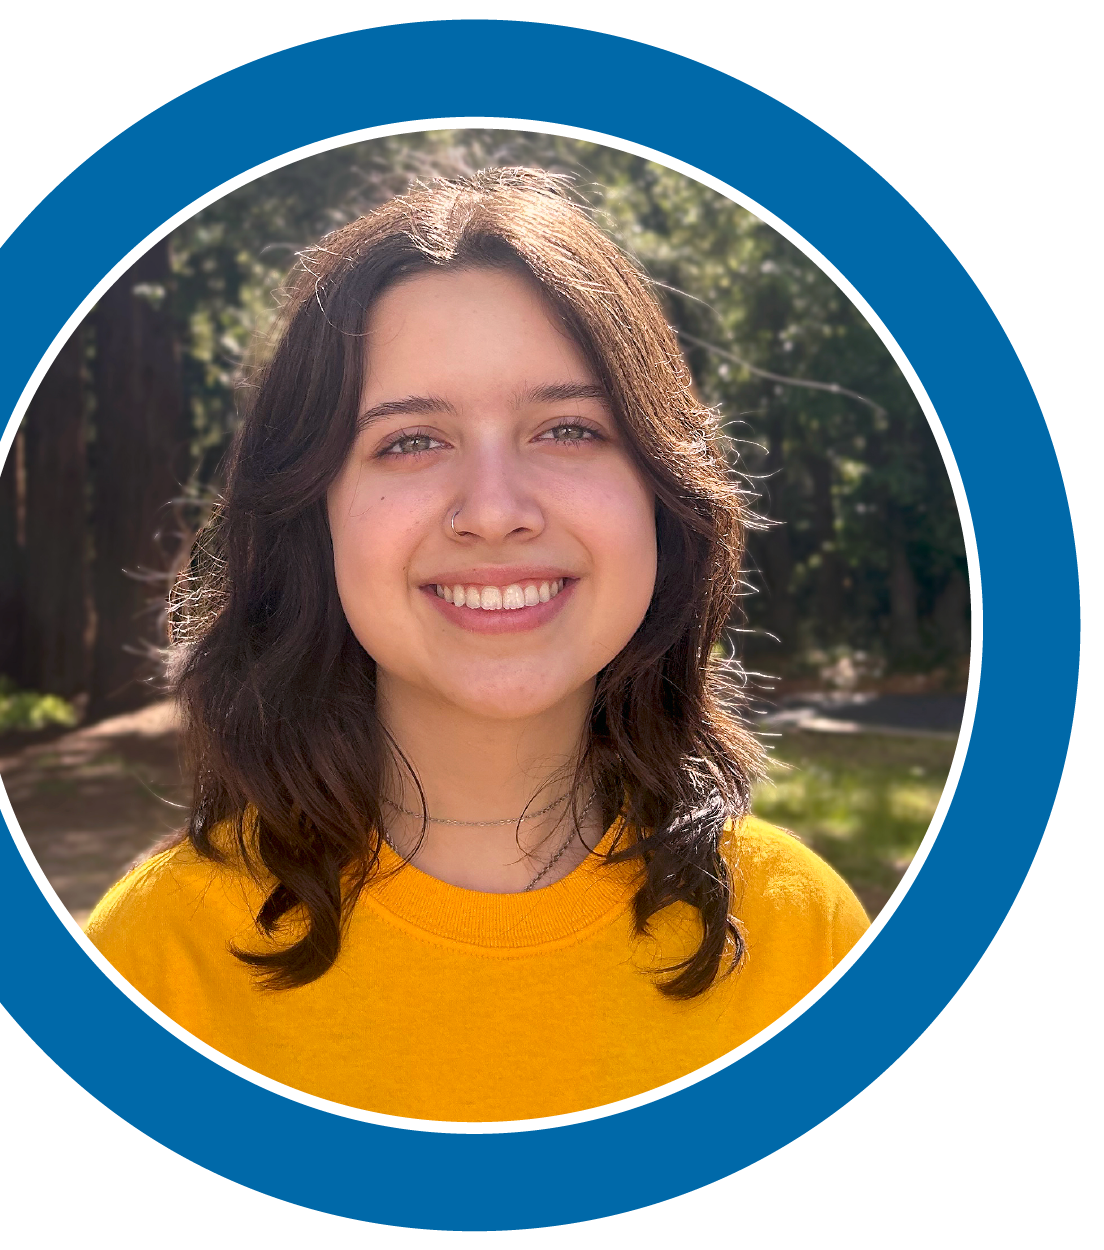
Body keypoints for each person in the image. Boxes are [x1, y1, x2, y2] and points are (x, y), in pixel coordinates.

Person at [86, 168, 869, 1122]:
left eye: (569, 429)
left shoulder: (804, 941)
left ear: (660, 499)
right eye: (411, 441)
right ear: (313, 518)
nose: (494, 512)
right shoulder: (152, 964)